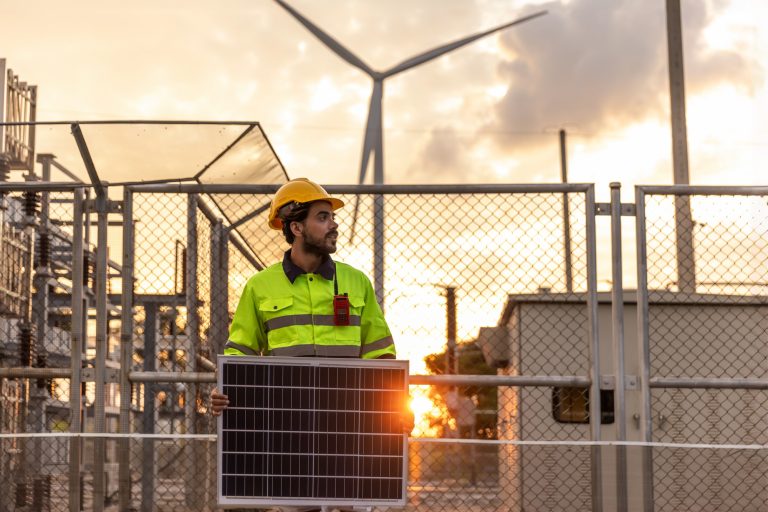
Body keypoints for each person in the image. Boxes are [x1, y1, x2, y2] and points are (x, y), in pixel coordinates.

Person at [211, 178, 408, 428]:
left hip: (349, 421)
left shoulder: (357, 282)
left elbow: (380, 355)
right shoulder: (259, 286)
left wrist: (396, 406)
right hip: (284, 422)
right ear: (296, 228)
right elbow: (240, 354)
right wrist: (223, 388)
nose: (334, 225)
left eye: (333, 217)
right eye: (323, 217)